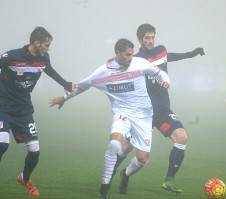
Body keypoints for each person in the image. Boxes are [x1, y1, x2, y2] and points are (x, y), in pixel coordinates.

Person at [49, 38, 170, 199]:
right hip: (122, 113)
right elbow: (82, 86)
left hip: (144, 116)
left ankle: (125, 174)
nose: (130, 58)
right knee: (115, 142)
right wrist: (64, 98)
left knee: (142, 159)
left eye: (132, 54)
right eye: (127, 55)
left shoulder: (139, 63)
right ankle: (104, 189)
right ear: (117, 53)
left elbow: (159, 72)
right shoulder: (102, 72)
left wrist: (166, 81)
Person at [113, 23, 205, 194]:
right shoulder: (136, 59)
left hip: (163, 111)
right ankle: (115, 174)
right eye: (147, 38)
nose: (150, 40)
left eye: (152, 37)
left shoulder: (161, 51)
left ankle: (169, 180)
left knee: (182, 138)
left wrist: (192, 53)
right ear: (140, 39)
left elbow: (171, 56)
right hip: (144, 114)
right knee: (127, 148)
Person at [0, 26, 74, 197]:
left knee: (35, 151)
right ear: (36, 42)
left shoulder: (44, 58)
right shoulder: (11, 56)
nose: (49, 49)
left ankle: (24, 178)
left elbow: (49, 70)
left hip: (24, 110)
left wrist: (65, 83)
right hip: (3, 107)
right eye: (47, 45)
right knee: (2, 144)